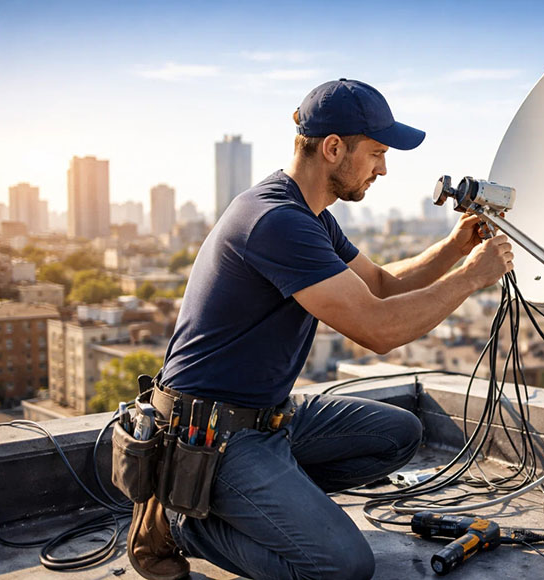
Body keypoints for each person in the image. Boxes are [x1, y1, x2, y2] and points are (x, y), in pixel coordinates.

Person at [127, 79, 513, 580]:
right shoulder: (275, 220)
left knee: (399, 434)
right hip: (213, 437)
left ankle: (269, 499)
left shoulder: (311, 216)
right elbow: (378, 330)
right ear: (333, 148)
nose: (384, 168)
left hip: (269, 417)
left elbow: (379, 284)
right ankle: (183, 523)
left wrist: (455, 248)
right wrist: (472, 277)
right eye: (376, 153)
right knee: (341, 568)